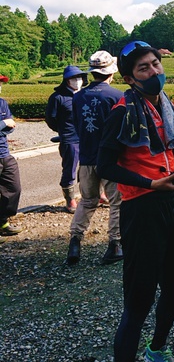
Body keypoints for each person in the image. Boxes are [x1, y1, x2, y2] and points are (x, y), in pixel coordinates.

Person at [97, 40, 174, 362]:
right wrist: (150, 183)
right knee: (138, 301)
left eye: (155, 64)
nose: (154, 72)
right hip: (142, 209)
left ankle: (157, 348)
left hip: (169, 203)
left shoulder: (162, 105)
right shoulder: (122, 111)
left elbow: (171, 152)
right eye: (144, 68)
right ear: (129, 77)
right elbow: (104, 165)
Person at [67, 51, 124, 266]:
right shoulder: (117, 96)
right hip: (111, 159)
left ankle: (75, 241)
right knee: (117, 202)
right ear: (110, 72)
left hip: (87, 158)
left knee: (88, 201)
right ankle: (114, 245)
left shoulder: (78, 97)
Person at [45, 65, 87, 213]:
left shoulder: (85, 94)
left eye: (79, 78)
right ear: (66, 81)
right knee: (70, 168)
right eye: (73, 78)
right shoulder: (58, 97)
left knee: (89, 167)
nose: (77, 81)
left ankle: (92, 194)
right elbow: (51, 119)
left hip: (87, 137)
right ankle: (70, 199)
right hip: (69, 138)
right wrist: (62, 131)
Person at [0, 75, 22, 236]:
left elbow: (11, 124)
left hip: (4, 153)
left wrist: (6, 124)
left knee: (13, 188)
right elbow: (6, 123)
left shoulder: (2, 103)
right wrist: (3, 123)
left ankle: (2, 221)